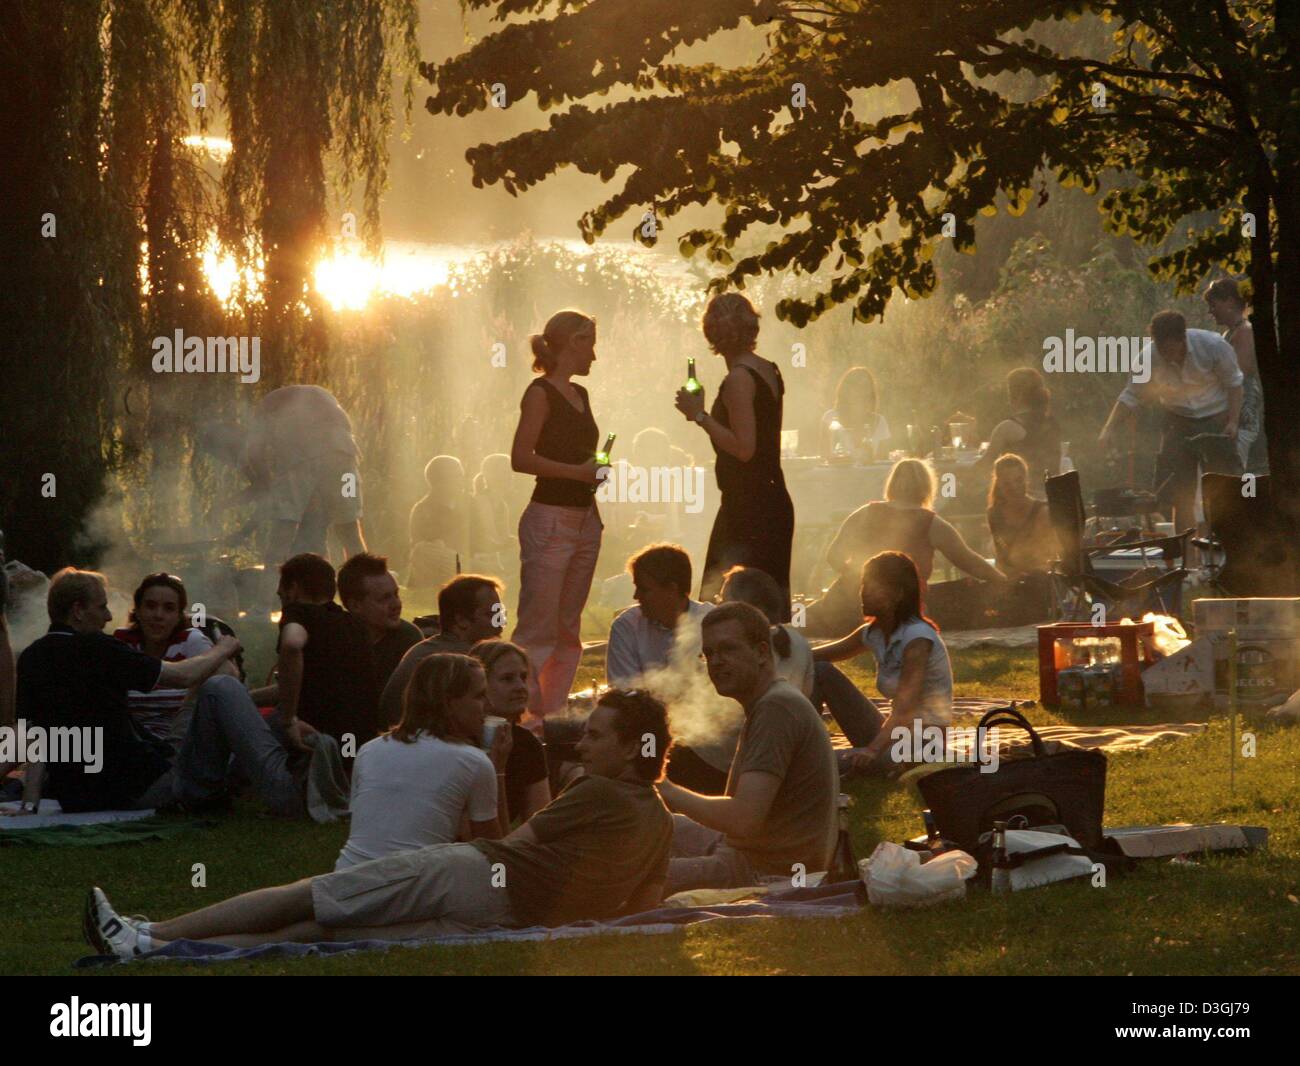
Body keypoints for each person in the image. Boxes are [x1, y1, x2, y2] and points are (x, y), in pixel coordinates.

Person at [85, 690, 674, 954]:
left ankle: (154, 933)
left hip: (473, 876)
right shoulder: (662, 821)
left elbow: (514, 843)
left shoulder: (598, 790)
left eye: (597, 735)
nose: (585, 744)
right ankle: (150, 950)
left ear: (631, 750)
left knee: (311, 897)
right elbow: (643, 905)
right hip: (510, 920)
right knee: (323, 934)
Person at [15, 568, 262, 813]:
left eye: (168, 609)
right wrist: (223, 648)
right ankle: (262, 779)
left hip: (76, 797)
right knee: (220, 681)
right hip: (138, 788)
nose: (109, 617)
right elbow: (184, 676)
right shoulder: (103, 649)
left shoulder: (31, 657)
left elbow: (35, 732)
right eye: (102, 607)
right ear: (78, 611)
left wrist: (29, 803)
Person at [657, 602, 838, 894]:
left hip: (766, 871)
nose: (716, 662)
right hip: (750, 853)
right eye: (710, 653)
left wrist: (666, 789)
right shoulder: (769, 702)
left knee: (628, 875)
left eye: (728, 649)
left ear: (762, 652)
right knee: (654, 824)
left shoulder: (776, 708)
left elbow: (743, 820)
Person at [510, 309, 605, 718]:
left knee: (569, 631)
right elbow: (520, 458)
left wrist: (592, 475)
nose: (595, 356)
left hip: (585, 518)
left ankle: (549, 717)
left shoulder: (580, 394)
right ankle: (518, 718)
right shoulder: (539, 393)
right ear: (572, 344)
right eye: (590, 344)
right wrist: (576, 472)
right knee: (537, 630)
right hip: (550, 518)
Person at [675, 293, 795, 617]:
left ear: (712, 333)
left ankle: (731, 658)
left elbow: (745, 449)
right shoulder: (769, 370)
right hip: (772, 498)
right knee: (767, 600)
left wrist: (699, 415)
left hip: (749, 505)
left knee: (730, 599)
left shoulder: (738, 379)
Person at [334, 654, 511, 871]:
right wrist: (498, 770)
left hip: (345, 883)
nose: (489, 705)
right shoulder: (473, 761)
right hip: (412, 890)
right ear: (448, 703)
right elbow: (495, 853)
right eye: (479, 696)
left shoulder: (368, 750)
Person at [805, 458, 1006, 635]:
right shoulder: (931, 523)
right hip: (903, 608)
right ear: (927, 488)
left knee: (806, 618)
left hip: (850, 602)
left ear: (891, 484)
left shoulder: (864, 513)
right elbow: (969, 561)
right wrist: (1002, 580)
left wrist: (859, 580)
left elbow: (833, 555)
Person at [1099, 310, 1244, 542]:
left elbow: (1234, 384)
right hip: (1178, 420)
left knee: (1224, 488)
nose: (1168, 355)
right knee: (1180, 494)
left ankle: (1227, 547)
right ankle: (1185, 556)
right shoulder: (1148, 357)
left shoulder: (1213, 345)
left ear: (1182, 338)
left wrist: (1234, 421)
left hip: (1216, 417)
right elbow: (1130, 396)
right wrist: (1109, 428)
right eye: (1162, 349)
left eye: (1171, 349)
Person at [812, 552, 955, 775]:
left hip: (923, 744)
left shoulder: (917, 639)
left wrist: (871, 750)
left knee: (818, 763)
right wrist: (781, 643)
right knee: (820, 671)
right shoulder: (873, 633)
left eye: (872, 588)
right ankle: (797, 739)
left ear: (897, 595)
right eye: (863, 586)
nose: (863, 594)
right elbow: (815, 656)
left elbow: (905, 710)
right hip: (892, 733)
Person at [201, 384, 366, 569]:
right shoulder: (270, 416)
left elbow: (267, 494)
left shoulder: (254, 442)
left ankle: (271, 585)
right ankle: (364, 584)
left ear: (225, 446)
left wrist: (241, 529)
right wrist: (226, 507)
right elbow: (266, 492)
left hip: (301, 457)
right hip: (343, 454)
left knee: (284, 526)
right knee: (349, 528)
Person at [253, 553, 379, 759]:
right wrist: (248, 698)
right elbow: (305, 684)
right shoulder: (355, 625)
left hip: (310, 754)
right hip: (354, 756)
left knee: (218, 689)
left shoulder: (300, 612)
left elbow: (292, 644)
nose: (282, 603)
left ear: (293, 589)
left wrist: (288, 719)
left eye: (281, 596)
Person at [111, 572, 238, 751]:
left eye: (169, 608)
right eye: (150, 606)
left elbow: (228, 676)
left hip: (185, 745)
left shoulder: (190, 641)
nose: (158, 615)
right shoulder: (123, 643)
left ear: (179, 616)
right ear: (137, 612)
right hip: (133, 746)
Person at [378, 574, 505, 727]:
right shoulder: (465, 663)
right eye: (492, 615)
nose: (501, 622)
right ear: (461, 620)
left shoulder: (424, 649)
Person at [606, 544, 713, 687]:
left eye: (644, 589)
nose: (636, 596)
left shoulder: (712, 622)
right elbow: (623, 693)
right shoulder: (627, 626)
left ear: (671, 589)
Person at [470, 639, 552, 824]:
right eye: (507, 679)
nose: (520, 687)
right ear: (479, 685)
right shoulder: (458, 739)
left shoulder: (526, 744)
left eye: (523, 677)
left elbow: (538, 823)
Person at [1205, 278, 1268, 475]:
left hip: (1244, 417)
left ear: (1230, 302)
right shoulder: (1229, 334)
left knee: (1239, 472)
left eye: (1213, 305)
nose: (1210, 311)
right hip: (1231, 415)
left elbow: (1241, 373)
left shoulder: (1245, 332)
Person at [337, 553, 422, 691]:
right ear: (355, 606)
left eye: (396, 594)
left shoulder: (409, 639)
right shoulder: (335, 640)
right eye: (384, 598)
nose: (396, 604)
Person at [975, 367, 1062, 487]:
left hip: (1023, 499)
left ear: (1013, 395)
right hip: (1054, 497)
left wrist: (958, 474)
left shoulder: (1007, 428)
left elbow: (984, 465)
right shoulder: (1052, 424)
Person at [986, 454, 1057, 577]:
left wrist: (1029, 575)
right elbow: (1001, 558)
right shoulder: (994, 513)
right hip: (1009, 581)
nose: (1013, 486)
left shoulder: (1041, 512)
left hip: (1041, 579)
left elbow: (1052, 558)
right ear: (999, 483)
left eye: (1018, 480)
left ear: (1026, 479)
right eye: (1007, 482)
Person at [408, 455, 472, 589]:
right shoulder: (423, 508)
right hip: (442, 561)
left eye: (461, 476)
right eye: (456, 476)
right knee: (423, 551)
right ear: (440, 480)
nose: (461, 481)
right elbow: (420, 545)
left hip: (469, 558)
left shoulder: (467, 503)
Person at [821, 366, 890, 462]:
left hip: (872, 476)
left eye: (865, 386)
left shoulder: (880, 421)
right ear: (845, 390)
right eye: (855, 386)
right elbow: (823, 457)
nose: (860, 391)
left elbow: (884, 461)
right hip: (837, 476)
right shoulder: (830, 418)